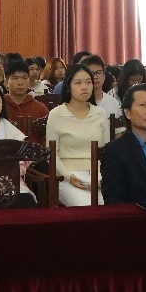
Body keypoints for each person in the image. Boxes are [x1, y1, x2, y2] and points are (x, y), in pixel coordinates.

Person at [47, 65, 110, 206]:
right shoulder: (56, 115)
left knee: (111, 205)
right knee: (87, 208)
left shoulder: (100, 113)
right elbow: (51, 155)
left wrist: (104, 178)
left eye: (88, 82)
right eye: (78, 83)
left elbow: (107, 152)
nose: (84, 87)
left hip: (98, 176)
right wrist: (68, 176)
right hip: (68, 176)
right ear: (68, 86)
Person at [3, 60, 49, 128]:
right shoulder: (0, 107)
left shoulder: (40, 108)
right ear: (6, 83)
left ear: (29, 82)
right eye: (15, 78)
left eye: (24, 78)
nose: (20, 83)